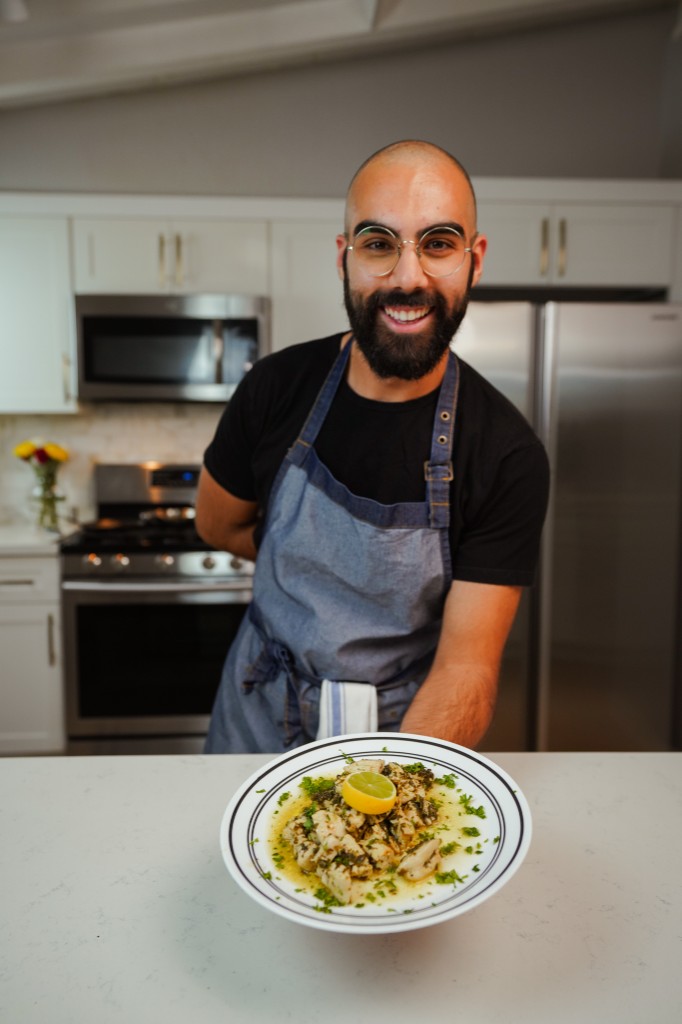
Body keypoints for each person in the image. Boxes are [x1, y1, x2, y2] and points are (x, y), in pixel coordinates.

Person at [196, 139, 549, 754]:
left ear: (475, 258)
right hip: (255, 713)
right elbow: (217, 525)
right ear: (344, 258)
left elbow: (465, 668)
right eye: (379, 244)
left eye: (438, 243)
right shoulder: (274, 389)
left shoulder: (506, 455)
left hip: (402, 731)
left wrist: (394, 790)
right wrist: (307, 575)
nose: (407, 278)